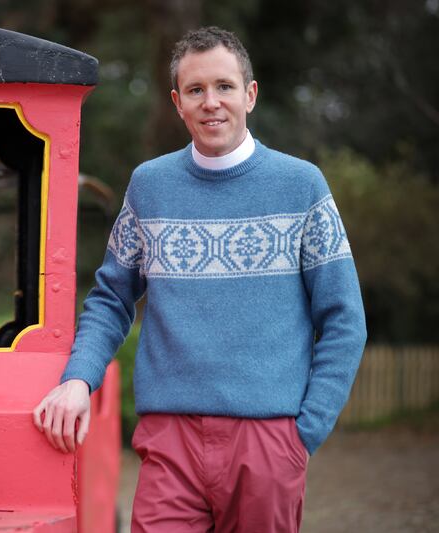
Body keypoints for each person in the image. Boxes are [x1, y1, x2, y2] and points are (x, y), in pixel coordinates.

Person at [32, 26, 366, 532]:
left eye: (224, 86)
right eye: (196, 90)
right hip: (169, 439)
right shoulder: (150, 185)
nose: (212, 102)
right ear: (177, 102)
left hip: (269, 440)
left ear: (250, 94)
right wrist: (80, 379)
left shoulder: (302, 186)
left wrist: (304, 434)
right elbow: (111, 299)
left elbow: (344, 320)